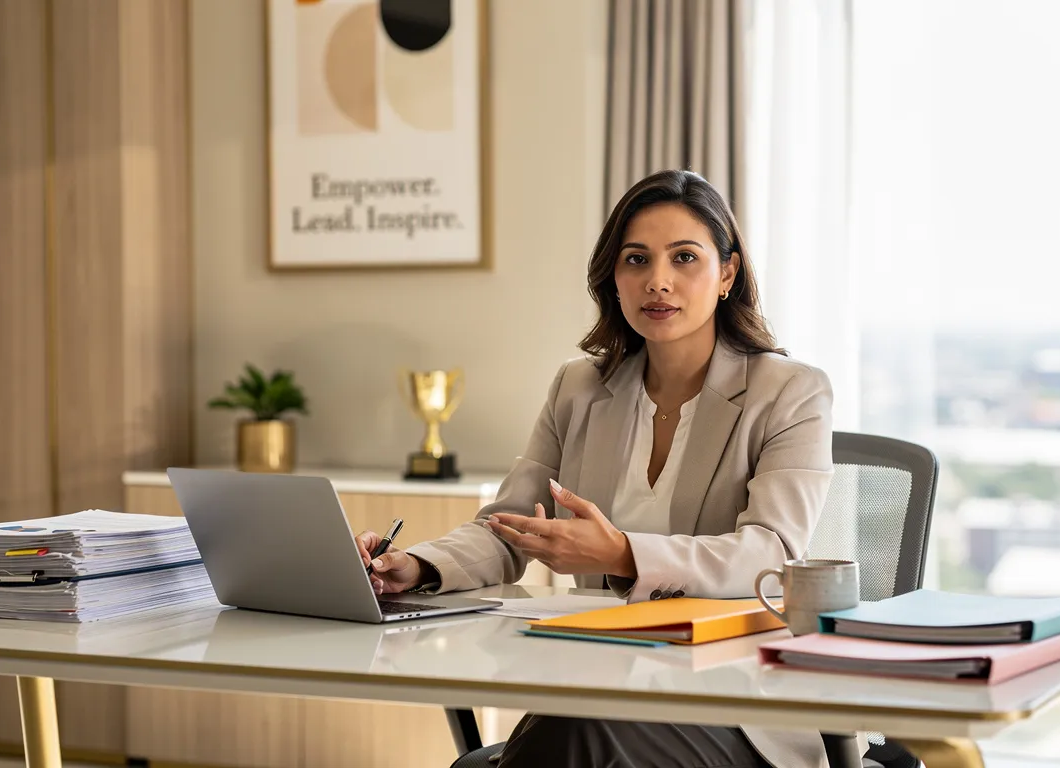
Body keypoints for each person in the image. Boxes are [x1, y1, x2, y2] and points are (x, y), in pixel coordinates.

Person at [354, 169, 846, 768]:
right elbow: (509, 527)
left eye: (684, 258)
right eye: (636, 259)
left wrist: (622, 555)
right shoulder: (580, 388)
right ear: (613, 278)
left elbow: (770, 554)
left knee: (568, 740)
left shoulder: (790, 392)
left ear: (727, 274)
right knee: (572, 730)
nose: (657, 281)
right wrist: (417, 564)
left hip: (734, 699)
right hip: (598, 678)